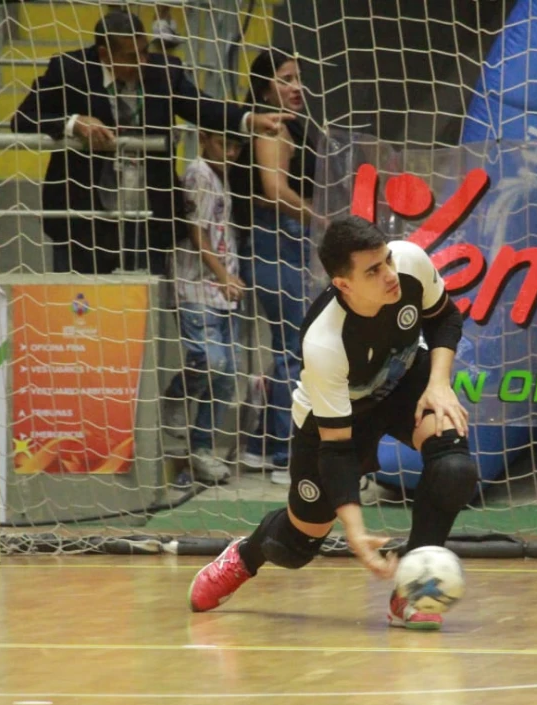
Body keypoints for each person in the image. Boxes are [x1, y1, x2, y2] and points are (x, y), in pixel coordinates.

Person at [188, 216, 479, 631]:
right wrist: (356, 534)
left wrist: (438, 384)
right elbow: (338, 450)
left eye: (387, 261)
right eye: (373, 271)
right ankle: (244, 556)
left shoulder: (410, 262)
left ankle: (409, 594)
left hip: (402, 385)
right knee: (295, 547)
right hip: (337, 418)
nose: (389, 275)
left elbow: (444, 318)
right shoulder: (324, 341)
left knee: (455, 468)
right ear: (344, 284)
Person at [10, 11, 289, 275]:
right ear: (105, 54)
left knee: (143, 314)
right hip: (82, 220)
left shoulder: (165, 71)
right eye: (132, 56)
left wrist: (251, 120)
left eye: (145, 51)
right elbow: (22, 118)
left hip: (148, 219)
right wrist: (74, 123)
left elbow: (204, 107)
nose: (143, 61)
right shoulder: (70, 70)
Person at [229, 49, 319, 484]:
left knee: (289, 346)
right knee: (293, 349)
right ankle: (286, 455)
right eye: (286, 78)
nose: (296, 87)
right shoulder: (274, 125)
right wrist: (321, 220)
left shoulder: (289, 124)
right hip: (275, 239)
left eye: (299, 78)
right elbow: (275, 190)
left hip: (280, 238)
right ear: (266, 85)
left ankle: (261, 446)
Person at [164, 129, 246, 485]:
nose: (229, 152)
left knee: (227, 379)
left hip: (221, 289)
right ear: (204, 141)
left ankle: (201, 450)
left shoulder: (222, 178)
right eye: (221, 144)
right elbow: (196, 231)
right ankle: (175, 396)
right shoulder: (199, 172)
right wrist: (222, 275)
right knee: (211, 360)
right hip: (196, 286)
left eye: (235, 147)